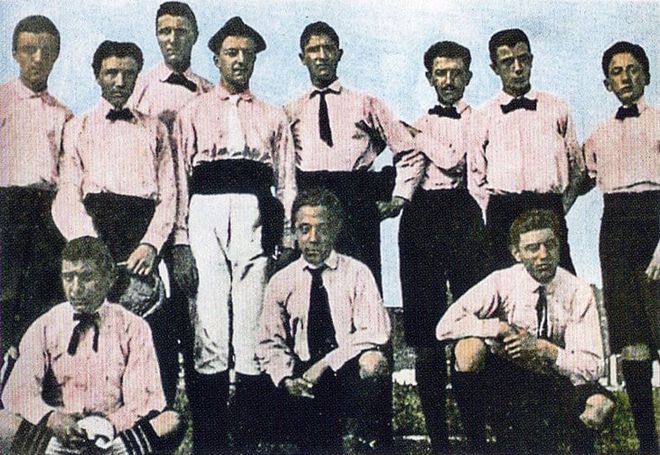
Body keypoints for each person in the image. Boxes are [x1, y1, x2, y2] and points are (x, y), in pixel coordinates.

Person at [173, 16, 297, 453]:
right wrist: (181, 240)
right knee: (209, 323)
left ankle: (247, 439)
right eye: (231, 53)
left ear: (255, 59)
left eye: (247, 53)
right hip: (205, 212)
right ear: (216, 59)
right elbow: (179, 180)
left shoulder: (272, 115)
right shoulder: (192, 112)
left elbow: (286, 181)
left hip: (254, 214)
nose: (239, 60)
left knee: (250, 326)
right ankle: (209, 442)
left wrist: (286, 238)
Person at [51, 41, 177, 402]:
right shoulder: (77, 127)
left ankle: (151, 420)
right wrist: (91, 248)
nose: (120, 81)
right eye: (111, 73)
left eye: (128, 73)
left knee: (151, 333)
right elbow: (68, 193)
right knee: (95, 334)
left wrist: (151, 244)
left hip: (142, 239)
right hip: (97, 234)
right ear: (97, 76)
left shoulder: (155, 129)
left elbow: (169, 194)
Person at [436, 209, 615, 454]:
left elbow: (593, 366)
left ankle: (571, 447)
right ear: (517, 253)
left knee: (600, 405)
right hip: (509, 380)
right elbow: (445, 326)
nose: (544, 255)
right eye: (533, 248)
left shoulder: (578, 291)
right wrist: (498, 327)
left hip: (555, 379)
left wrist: (544, 349)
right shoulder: (502, 281)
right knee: (469, 349)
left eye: (549, 245)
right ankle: (478, 447)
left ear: (559, 246)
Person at [0, 236, 183, 455]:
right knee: (2, 423)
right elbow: (19, 391)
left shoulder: (133, 327)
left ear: (109, 279)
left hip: (112, 437)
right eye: (68, 277)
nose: (75, 289)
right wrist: (52, 418)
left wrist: (109, 426)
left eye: (86, 277)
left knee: (170, 422)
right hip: (57, 436)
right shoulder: (47, 324)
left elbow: (142, 399)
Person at [397, 40, 491, 454]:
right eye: (441, 73)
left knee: (470, 324)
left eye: (456, 73)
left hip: (464, 214)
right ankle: (438, 443)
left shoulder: (480, 119)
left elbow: (454, 160)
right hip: (421, 219)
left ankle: (476, 439)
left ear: (469, 76)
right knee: (426, 334)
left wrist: (418, 137)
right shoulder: (420, 120)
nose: (449, 81)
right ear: (429, 78)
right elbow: (408, 171)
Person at [285, 21, 419, 286]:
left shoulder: (366, 104)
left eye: (328, 49)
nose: (321, 56)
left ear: (339, 54)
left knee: (361, 280)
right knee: (313, 283)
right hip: (312, 199)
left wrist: (400, 198)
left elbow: (408, 151)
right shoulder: (291, 111)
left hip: (356, 199)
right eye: (313, 50)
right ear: (302, 58)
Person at [258, 188, 392, 454]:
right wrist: (287, 379)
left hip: (344, 371)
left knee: (374, 362)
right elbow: (270, 342)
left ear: (336, 229)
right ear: (294, 232)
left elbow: (377, 331)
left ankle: (365, 438)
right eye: (304, 229)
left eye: (322, 229)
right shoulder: (282, 281)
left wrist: (326, 364)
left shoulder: (357, 273)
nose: (313, 238)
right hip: (302, 375)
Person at [131, 0, 214, 408]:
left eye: (181, 31)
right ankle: (158, 420)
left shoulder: (211, 92)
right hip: (153, 216)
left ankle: (206, 423)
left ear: (195, 36)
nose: (172, 38)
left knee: (200, 321)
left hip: (202, 214)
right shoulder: (140, 88)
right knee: (157, 320)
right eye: (165, 31)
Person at [582, 41, 659, 453]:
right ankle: (649, 444)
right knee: (632, 341)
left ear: (646, 74)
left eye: (632, 69)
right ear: (606, 82)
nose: (625, 78)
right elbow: (577, 181)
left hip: (656, 225)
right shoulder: (599, 134)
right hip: (615, 231)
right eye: (616, 71)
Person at [471, 28, 582, 273]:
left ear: (531, 60)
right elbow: (476, 176)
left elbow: (576, 167)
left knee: (560, 280)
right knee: (506, 283)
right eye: (507, 62)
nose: (517, 68)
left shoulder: (557, 107)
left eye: (523, 59)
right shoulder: (482, 116)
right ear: (494, 68)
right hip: (503, 212)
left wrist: (557, 207)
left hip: (548, 207)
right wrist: (495, 211)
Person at [0, 15, 72, 391]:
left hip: (47, 213)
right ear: (15, 53)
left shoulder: (64, 114)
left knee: (39, 301)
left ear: (56, 55)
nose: (38, 58)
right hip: (5, 209)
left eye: (46, 50)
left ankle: (28, 395)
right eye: (30, 49)